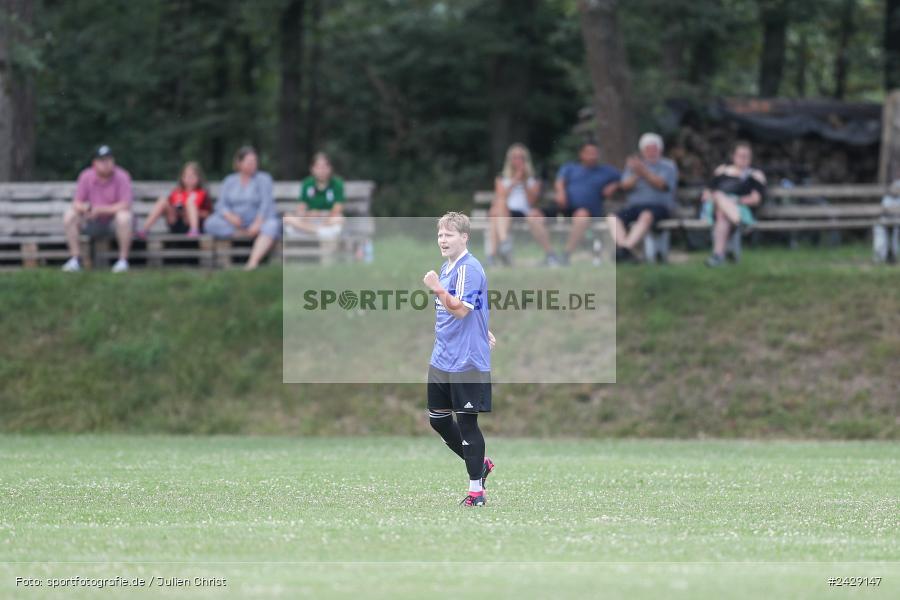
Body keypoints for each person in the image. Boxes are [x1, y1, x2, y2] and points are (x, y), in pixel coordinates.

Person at [423, 212, 496, 507]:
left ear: (464, 237)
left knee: (467, 425)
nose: (443, 240)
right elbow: (469, 308)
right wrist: (484, 327)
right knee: (438, 420)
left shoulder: (470, 268)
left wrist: (437, 287)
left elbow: (461, 310)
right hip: (442, 356)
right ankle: (481, 464)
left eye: (449, 235)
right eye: (440, 234)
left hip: (466, 360)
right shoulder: (447, 266)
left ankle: (476, 492)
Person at [203, 146, 281, 270]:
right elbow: (221, 205)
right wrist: (230, 216)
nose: (253, 165)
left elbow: (266, 203)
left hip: (258, 221)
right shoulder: (229, 180)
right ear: (239, 163)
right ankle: (243, 234)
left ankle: (252, 262)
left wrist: (257, 222)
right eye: (249, 162)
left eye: (255, 161)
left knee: (272, 225)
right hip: (235, 224)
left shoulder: (264, 179)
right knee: (210, 223)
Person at [607, 133, 679, 263]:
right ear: (642, 151)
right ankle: (624, 249)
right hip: (635, 207)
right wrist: (636, 173)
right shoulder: (634, 167)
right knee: (612, 217)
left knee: (646, 215)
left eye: (654, 149)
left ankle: (624, 250)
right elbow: (625, 186)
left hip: (660, 208)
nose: (651, 152)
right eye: (648, 149)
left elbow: (662, 185)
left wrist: (644, 172)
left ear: (660, 150)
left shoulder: (668, 166)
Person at [62, 145, 134, 273]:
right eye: (102, 160)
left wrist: (100, 210)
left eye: (109, 159)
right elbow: (77, 203)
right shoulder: (86, 176)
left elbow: (125, 204)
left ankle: (123, 260)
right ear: (94, 163)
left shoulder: (122, 176)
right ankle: (75, 259)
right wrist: (87, 208)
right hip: (91, 221)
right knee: (69, 215)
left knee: (124, 216)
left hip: (113, 223)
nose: (106, 163)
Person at [551, 141, 620, 265]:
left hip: (589, 213)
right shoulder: (570, 168)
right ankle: (549, 255)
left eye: (595, 153)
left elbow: (623, 179)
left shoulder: (606, 171)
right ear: (581, 154)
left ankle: (565, 255)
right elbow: (559, 181)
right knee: (535, 214)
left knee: (582, 215)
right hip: (566, 208)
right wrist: (560, 192)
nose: (592, 156)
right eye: (589, 153)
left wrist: (615, 185)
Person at [701, 141, 766, 267]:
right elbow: (706, 194)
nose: (743, 159)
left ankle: (718, 256)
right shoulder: (722, 171)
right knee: (718, 196)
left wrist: (735, 201)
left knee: (722, 214)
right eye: (740, 155)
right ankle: (739, 222)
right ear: (733, 156)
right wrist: (722, 199)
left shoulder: (754, 175)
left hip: (740, 208)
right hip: (715, 207)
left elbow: (756, 199)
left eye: (746, 156)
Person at [488, 143, 550, 266]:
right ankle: (504, 243)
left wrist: (525, 181)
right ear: (510, 160)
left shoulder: (534, 178)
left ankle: (493, 257)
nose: (518, 160)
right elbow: (501, 196)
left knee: (496, 216)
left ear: (526, 160)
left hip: (524, 212)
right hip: (506, 212)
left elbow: (532, 201)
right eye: (515, 157)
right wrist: (514, 180)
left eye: (521, 157)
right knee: (499, 208)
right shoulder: (501, 177)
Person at [137, 162, 211, 238]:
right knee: (163, 200)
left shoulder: (202, 193)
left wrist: (190, 211)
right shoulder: (177, 192)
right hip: (176, 223)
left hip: (192, 223)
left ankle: (194, 230)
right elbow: (170, 207)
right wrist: (178, 210)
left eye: (192, 176)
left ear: (198, 178)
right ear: (182, 178)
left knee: (190, 203)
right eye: (187, 176)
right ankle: (144, 229)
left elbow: (208, 214)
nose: (189, 179)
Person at [283, 152, 345, 239]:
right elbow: (301, 207)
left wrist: (320, 214)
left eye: (324, 167)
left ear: (330, 168)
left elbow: (337, 209)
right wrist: (307, 214)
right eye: (318, 167)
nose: (321, 171)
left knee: (339, 218)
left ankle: (313, 231)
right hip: (310, 219)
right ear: (312, 169)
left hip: (327, 219)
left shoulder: (337, 183)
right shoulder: (307, 183)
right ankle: (319, 232)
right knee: (288, 218)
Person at [873, 179, 900, 263]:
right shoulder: (887, 198)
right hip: (885, 220)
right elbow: (884, 210)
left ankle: (893, 255)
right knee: (880, 233)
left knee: (894, 235)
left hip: (896, 221)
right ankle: (880, 257)